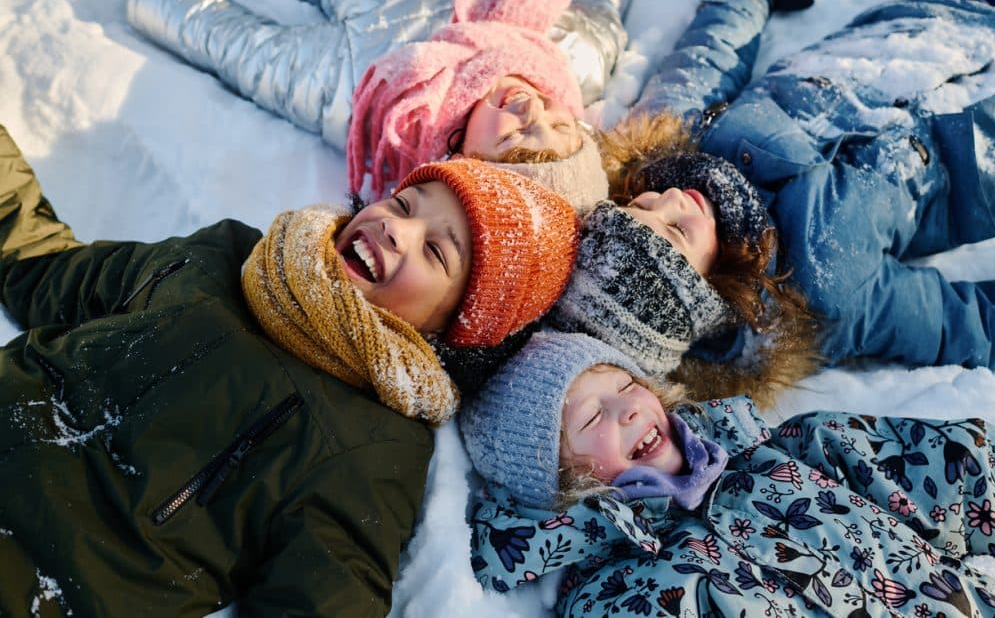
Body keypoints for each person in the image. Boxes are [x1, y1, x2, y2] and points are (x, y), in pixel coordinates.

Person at [0, 125, 578, 616]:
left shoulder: (370, 446)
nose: (396, 227)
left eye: (435, 252)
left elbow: (325, 596)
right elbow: (43, 269)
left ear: (450, 327)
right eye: (404, 204)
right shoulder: (225, 258)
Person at [552, 0, 995, 398]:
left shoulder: (669, 146)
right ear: (705, 291)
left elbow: (704, 57)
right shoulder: (819, 296)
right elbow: (963, 325)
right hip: (992, 140)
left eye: (643, 205)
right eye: (676, 231)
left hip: (909, 41)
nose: (671, 198)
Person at [461, 331, 995, 617]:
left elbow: (959, 469)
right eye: (591, 417)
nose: (627, 409)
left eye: (628, 386)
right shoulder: (617, 596)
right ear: (556, 483)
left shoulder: (793, 453)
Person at [126, 0, 633, 211]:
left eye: (514, 141)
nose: (531, 109)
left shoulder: (383, 94)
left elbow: (247, 52)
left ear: (464, 159)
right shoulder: (570, 59)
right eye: (561, 125)